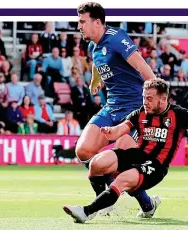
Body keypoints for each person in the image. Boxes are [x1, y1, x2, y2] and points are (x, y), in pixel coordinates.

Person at [63, 78, 188, 223]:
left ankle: (86, 212)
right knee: (96, 163)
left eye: (150, 98)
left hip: (156, 165)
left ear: (163, 98)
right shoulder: (140, 112)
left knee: (122, 180)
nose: (145, 102)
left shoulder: (179, 114)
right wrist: (110, 131)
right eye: (144, 97)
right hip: (137, 155)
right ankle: (108, 203)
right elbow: (120, 129)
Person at [75, 2, 157, 215]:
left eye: (83, 21)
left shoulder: (117, 38)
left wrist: (157, 103)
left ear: (97, 22)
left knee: (119, 163)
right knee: (83, 150)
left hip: (134, 110)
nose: (79, 26)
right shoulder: (93, 45)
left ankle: (148, 204)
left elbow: (143, 68)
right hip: (112, 107)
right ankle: (105, 201)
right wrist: (96, 79)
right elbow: (98, 61)